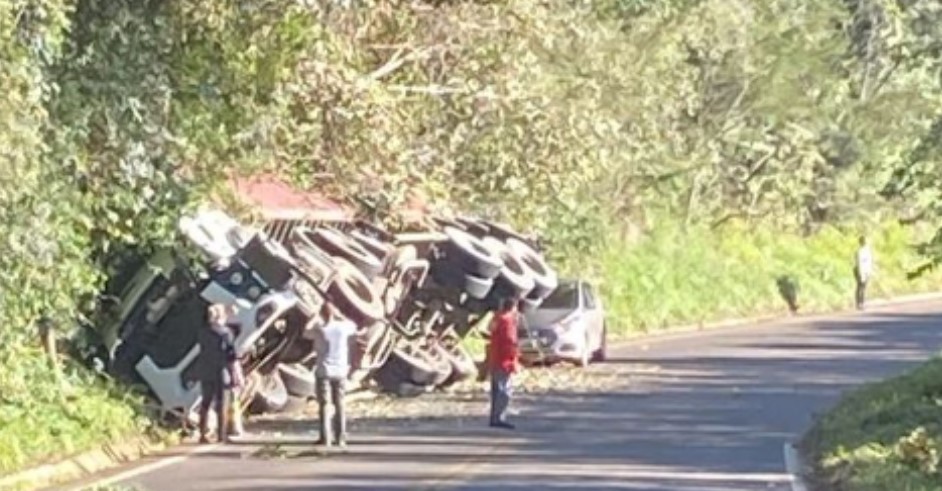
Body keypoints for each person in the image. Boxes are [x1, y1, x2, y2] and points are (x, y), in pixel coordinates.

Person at [312, 304, 362, 448]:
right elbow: (354, 326)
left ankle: (325, 438)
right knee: (340, 404)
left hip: (324, 371)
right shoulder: (343, 327)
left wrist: (314, 318)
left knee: (324, 405)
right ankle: (340, 438)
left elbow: (305, 331)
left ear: (322, 315)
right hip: (340, 371)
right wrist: (339, 314)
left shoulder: (320, 329)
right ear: (334, 313)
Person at [196, 304, 237, 444]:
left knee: (205, 403)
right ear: (221, 316)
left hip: (205, 370)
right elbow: (231, 355)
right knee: (222, 403)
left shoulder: (202, 332)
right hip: (221, 371)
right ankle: (222, 435)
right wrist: (234, 374)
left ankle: (202, 434)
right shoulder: (226, 333)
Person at [487, 297, 521, 430]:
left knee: (496, 390)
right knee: (504, 391)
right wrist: (515, 361)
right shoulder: (508, 322)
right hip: (504, 361)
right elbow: (510, 343)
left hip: (495, 358)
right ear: (513, 308)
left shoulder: (498, 318)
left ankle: (494, 417)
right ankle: (499, 418)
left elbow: (490, 329)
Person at [854, 235, 874, 310]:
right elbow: (859, 263)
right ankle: (859, 303)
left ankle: (862, 303)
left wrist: (870, 271)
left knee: (863, 287)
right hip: (860, 270)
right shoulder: (860, 251)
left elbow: (869, 262)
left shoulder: (868, 251)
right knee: (860, 287)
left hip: (866, 270)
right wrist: (861, 273)